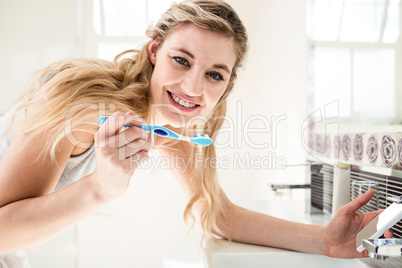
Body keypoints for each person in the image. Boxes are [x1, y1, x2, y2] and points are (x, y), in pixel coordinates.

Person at [0, 0, 392, 266]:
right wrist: (100, 188)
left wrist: (325, 239)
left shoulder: (174, 130)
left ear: (228, 84)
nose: (192, 88)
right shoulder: (80, 105)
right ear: (154, 50)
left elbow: (218, 213)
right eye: (180, 60)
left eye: (214, 74)